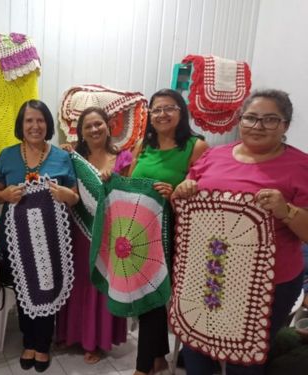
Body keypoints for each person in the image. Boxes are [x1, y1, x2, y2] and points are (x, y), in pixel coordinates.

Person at [173, 89, 308, 375]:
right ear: (240, 120)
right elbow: (184, 201)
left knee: (243, 363)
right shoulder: (214, 156)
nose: (258, 126)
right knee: (196, 347)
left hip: (268, 284)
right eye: (251, 118)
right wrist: (182, 191)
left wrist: (287, 211)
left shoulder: (301, 166)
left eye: (270, 119)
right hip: (207, 272)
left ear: (285, 125)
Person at [0, 100, 79, 372]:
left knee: (48, 286)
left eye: (40, 120)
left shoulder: (62, 157)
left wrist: (65, 195)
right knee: (23, 287)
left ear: (47, 125)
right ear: (21, 125)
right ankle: (28, 342)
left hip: (51, 239)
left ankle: (42, 345)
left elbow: (74, 196)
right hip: (16, 239)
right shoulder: (6, 155)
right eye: (29, 120)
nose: (35, 126)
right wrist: (4, 195)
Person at [129, 88, 208, 375]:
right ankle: (158, 357)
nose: (162, 114)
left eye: (169, 108)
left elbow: (202, 194)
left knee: (157, 295)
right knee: (147, 295)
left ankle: (143, 367)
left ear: (181, 111)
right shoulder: (142, 146)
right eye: (157, 109)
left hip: (176, 232)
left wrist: (175, 193)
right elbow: (128, 183)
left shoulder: (195, 146)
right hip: (141, 230)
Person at [56, 106, 130, 364]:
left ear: (108, 126)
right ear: (81, 133)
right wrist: (63, 150)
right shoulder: (72, 158)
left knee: (100, 283)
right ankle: (71, 333)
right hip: (79, 231)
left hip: (110, 234)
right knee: (78, 282)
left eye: (98, 124)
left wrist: (116, 181)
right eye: (88, 126)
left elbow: (130, 196)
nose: (94, 129)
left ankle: (95, 340)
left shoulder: (124, 158)